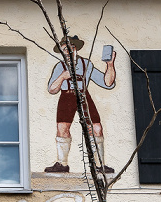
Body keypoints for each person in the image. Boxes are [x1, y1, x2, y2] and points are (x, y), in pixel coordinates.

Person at [45, 35, 116, 174]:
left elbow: (107, 83)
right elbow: (52, 89)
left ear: (75, 48)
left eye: (70, 48)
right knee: (62, 128)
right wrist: (62, 77)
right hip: (67, 95)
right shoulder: (60, 66)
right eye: (64, 50)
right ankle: (62, 164)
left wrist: (110, 64)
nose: (68, 52)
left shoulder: (86, 64)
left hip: (83, 95)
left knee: (96, 128)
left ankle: (99, 164)